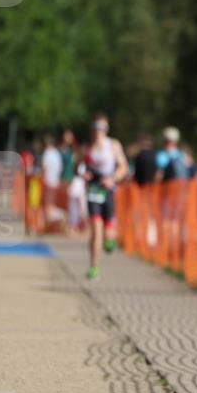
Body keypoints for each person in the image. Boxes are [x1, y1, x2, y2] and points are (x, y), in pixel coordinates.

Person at [83, 114, 128, 279]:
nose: (98, 131)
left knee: (108, 236)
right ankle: (94, 266)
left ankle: (110, 242)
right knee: (96, 230)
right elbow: (78, 167)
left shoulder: (113, 145)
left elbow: (123, 167)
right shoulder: (87, 148)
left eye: (102, 128)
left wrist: (112, 179)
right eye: (96, 128)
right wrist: (84, 174)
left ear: (107, 129)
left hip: (108, 191)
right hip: (93, 192)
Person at [41, 134, 63, 226]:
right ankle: (54, 219)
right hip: (55, 181)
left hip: (48, 181)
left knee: (48, 203)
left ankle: (52, 220)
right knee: (52, 202)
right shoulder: (57, 153)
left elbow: (44, 168)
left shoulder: (47, 153)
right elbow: (60, 168)